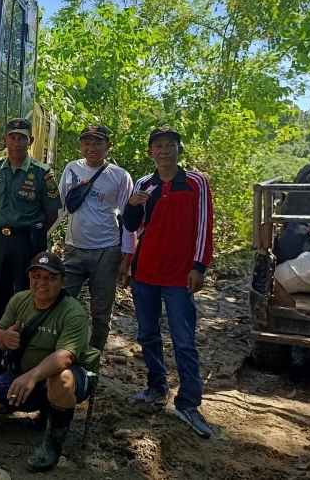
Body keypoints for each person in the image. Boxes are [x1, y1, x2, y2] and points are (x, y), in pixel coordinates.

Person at [122, 125, 214, 439]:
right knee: (147, 334)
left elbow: (204, 226)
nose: (164, 151)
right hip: (145, 272)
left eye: (169, 145)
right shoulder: (145, 184)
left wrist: (199, 266)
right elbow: (132, 226)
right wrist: (132, 206)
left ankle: (188, 401)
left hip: (179, 275)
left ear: (178, 149)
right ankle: (156, 387)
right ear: (151, 152)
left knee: (184, 339)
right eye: (158, 146)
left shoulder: (195, 182)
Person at [0, 251, 99, 472]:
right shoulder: (19, 300)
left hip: (66, 376)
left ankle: (52, 444)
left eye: (50, 278)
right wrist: (4, 338)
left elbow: (65, 356)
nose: (42, 283)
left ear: (62, 281)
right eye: (36, 276)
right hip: (24, 374)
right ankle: (44, 410)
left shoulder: (73, 312)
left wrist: (32, 376)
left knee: (61, 379)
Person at [0, 118, 61, 377]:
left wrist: (33, 234)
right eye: (12, 137)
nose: (16, 142)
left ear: (31, 141)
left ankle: (20, 361)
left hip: (28, 242)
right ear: (6, 140)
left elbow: (52, 212)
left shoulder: (41, 172)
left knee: (28, 298)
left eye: (22, 137)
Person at [57, 124, 135, 351]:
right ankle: (64, 350)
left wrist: (127, 258)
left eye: (98, 142)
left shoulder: (120, 176)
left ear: (108, 146)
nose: (92, 147)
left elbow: (128, 220)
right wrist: (45, 238)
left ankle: (94, 356)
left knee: (101, 310)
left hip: (107, 250)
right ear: (81, 145)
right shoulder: (71, 169)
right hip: (73, 248)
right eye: (87, 142)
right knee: (61, 301)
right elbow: (60, 207)